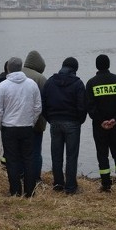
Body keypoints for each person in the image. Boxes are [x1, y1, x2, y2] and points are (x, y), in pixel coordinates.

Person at [0, 57, 42, 197]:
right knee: (29, 159)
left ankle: (15, 191)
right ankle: (30, 191)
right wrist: (31, 122)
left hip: (9, 127)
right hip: (26, 127)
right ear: (21, 68)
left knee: (12, 160)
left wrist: (0, 126)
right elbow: (38, 107)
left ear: (8, 68)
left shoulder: (2, 86)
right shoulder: (31, 84)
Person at [41, 57, 87, 195]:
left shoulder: (50, 82)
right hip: (72, 122)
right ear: (75, 69)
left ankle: (58, 184)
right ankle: (70, 187)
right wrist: (79, 120)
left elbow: (43, 103)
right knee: (71, 156)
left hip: (55, 122)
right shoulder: (78, 83)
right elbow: (82, 106)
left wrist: (50, 118)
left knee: (56, 155)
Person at [85, 54, 116, 192]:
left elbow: (89, 106)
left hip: (99, 127)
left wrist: (101, 120)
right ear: (109, 64)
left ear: (96, 65)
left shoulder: (91, 83)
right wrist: (115, 119)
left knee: (102, 154)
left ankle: (106, 184)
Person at [22, 50, 48, 182]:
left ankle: (21, 176)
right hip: (37, 123)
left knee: (21, 152)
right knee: (36, 152)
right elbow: (46, 101)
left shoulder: (17, 74)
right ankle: (36, 178)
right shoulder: (40, 78)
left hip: (18, 122)